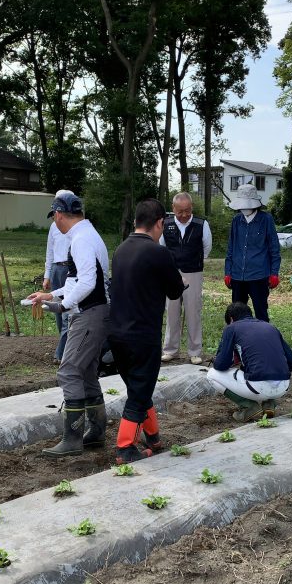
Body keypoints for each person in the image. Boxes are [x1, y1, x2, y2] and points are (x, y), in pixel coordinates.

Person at [26, 190, 111, 457]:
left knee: (69, 370)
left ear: (59, 215)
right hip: (94, 310)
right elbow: (77, 280)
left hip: (90, 313)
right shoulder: (85, 235)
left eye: (55, 218)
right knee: (85, 371)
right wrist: (51, 295)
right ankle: (96, 432)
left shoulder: (81, 240)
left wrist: (63, 306)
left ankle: (72, 438)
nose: (55, 223)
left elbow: (87, 283)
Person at [108, 199, 186, 464]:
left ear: (135, 222)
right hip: (142, 335)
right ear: (160, 223)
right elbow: (175, 290)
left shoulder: (120, 250)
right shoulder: (158, 253)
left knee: (139, 388)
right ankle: (125, 447)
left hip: (116, 334)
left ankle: (153, 436)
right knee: (139, 390)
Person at [206, 302, 292, 422]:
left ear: (231, 319)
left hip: (257, 388)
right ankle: (269, 404)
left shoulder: (232, 328)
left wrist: (223, 359)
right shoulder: (270, 327)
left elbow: (221, 364)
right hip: (283, 387)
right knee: (261, 368)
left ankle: (249, 406)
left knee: (212, 374)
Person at [160, 192, 212, 365]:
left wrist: (194, 262)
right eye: (180, 211)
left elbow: (207, 247)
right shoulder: (165, 224)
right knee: (172, 310)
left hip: (193, 272)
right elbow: (161, 247)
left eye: (187, 210)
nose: (183, 215)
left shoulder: (201, 224)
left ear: (192, 208)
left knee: (193, 311)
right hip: (171, 272)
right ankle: (170, 350)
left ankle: (195, 351)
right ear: (173, 209)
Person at [223, 184, 281, 322]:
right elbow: (231, 247)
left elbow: (274, 248)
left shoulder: (266, 219)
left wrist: (274, 273)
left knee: (261, 313)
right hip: (237, 276)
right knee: (236, 313)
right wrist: (228, 272)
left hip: (259, 275)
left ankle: (263, 341)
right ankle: (238, 341)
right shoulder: (236, 220)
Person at [42, 211, 72, 363]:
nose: (55, 218)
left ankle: (62, 351)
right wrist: (47, 275)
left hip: (70, 268)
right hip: (56, 269)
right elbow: (50, 251)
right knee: (58, 310)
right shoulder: (54, 226)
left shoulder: (75, 228)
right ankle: (64, 342)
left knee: (68, 310)